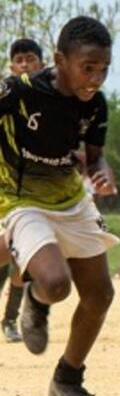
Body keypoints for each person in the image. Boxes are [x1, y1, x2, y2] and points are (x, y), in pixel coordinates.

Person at [0, 17, 120, 396]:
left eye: (104, 69)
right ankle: (37, 297)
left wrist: (102, 174)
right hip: (21, 198)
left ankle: (67, 380)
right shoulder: (20, 91)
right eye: (88, 67)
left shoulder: (96, 104)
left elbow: (96, 157)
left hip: (70, 198)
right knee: (55, 283)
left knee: (100, 295)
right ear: (60, 60)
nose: (96, 78)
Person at [0, 38, 45, 342]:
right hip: (4, 189)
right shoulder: (5, 96)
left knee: (20, 263)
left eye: (30, 59)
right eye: (19, 60)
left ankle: (9, 320)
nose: (25, 65)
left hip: (33, 192)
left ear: (42, 64)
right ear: (11, 66)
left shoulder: (51, 99)